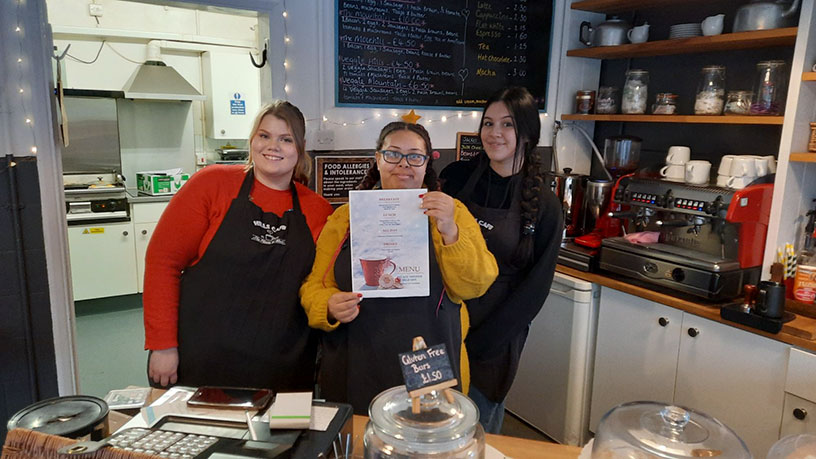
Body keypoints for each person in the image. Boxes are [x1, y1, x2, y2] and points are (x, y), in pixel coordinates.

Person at [300, 121, 498, 414]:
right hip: (357, 359)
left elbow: (476, 284)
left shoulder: (452, 212)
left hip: (427, 356)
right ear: (378, 159)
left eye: (415, 156)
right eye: (393, 154)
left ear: (426, 163)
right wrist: (326, 305)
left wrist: (449, 230)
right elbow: (314, 285)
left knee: (427, 437)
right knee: (359, 441)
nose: (403, 164)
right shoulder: (344, 218)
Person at [143, 100, 334, 390]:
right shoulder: (211, 184)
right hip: (203, 357)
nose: (273, 146)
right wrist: (163, 345)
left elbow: (320, 284)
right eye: (264, 136)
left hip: (283, 366)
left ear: (300, 147)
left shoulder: (319, 210)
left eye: (286, 139)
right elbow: (162, 262)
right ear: (253, 140)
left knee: (280, 437)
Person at [440, 87, 563, 433]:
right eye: (488, 123)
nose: (494, 133)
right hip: (444, 324)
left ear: (527, 133)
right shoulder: (455, 178)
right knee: (432, 429)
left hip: (493, 339)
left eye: (507, 125)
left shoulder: (546, 206)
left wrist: (479, 344)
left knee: (476, 433)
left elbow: (533, 291)